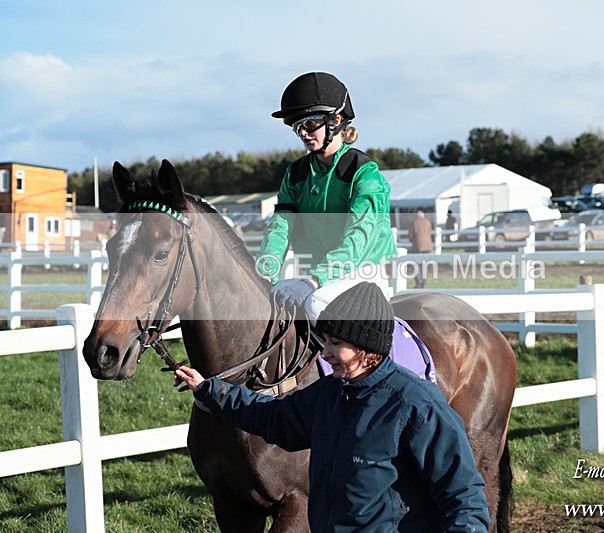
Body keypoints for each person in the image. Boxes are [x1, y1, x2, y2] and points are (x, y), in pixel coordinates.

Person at [173, 282, 490, 532]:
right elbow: (271, 417)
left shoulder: (417, 406)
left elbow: (462, 494)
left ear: (367, 348)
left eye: (337, 344)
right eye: (325, 341)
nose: (325, 353)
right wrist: (209, 389)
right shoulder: (329, 394)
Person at [256, 72, 397, 321]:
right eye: (297, 128)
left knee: (315, 304)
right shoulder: (296, 173)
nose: (304, 134)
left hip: (362, 271)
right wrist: (267, 270)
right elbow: (281, 224)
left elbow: (358, 240)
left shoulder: (365, 173)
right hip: (313, 273)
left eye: (310, 125)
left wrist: (314, 280)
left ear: (337, 120)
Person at [407, 210, 433, 288]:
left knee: (416, 264)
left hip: (417, 247)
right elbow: (429, 233)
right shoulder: (428, 222)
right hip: (428, 246)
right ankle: (424, 283)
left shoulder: (414, 222)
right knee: (425, 265)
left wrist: (412, 240)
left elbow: (410, 235)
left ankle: (419, 282)